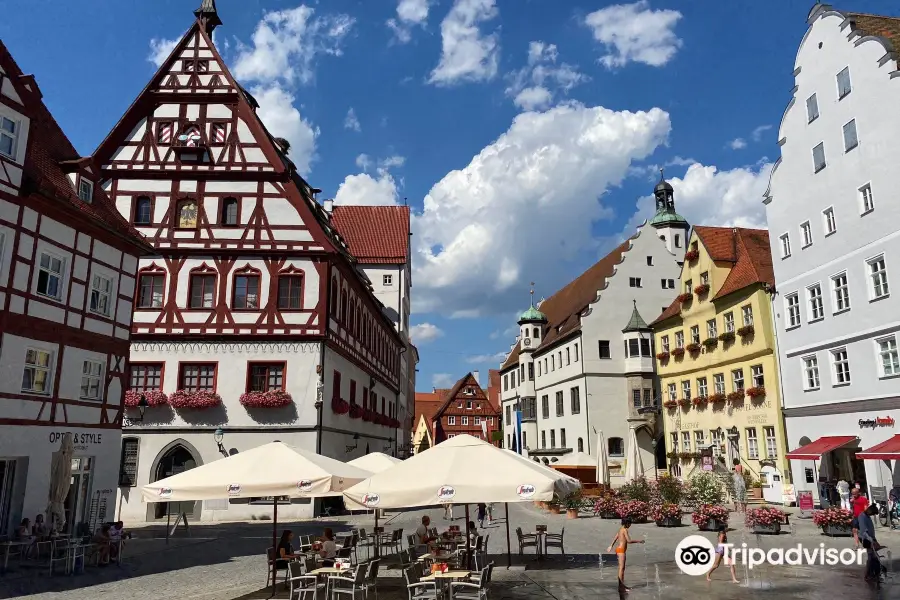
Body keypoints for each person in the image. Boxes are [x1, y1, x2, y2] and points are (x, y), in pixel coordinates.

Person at [607, 517, 644, 592]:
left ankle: (622, 585)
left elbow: (616, 537)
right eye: (630, 524)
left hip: (619, 550)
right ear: (627, 523)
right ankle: (621, 587)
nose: (630, 525)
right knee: (621, 569)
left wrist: (611, 545)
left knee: (622, 568)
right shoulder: (625, 530)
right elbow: (629, 541)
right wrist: (639, 541)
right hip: (621, 551)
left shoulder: (620, 529)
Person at [857, 504, 884, 583]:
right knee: (872, 556)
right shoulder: (862, 517)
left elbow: (870, 530)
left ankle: (872, 574)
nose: (872, 515)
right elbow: (864, 531)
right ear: (869, 510)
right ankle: (868, 574)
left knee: (873, 556)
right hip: (866, 539)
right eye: (873, 514)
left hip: (870, 538)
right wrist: (871, 541)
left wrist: (874, 540)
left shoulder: (867, 516)